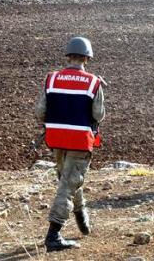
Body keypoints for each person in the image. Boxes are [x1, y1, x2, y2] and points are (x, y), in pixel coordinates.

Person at [35, 37, 105, 252]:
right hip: (79, 141)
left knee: (69, 181)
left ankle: (81, 216)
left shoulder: (51, 79)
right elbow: (98, 115)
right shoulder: (93, 82)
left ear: (68, 56)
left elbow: (39, 113)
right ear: (87, 58)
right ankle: (53, 235)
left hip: (55, 139)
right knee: (68, 185)